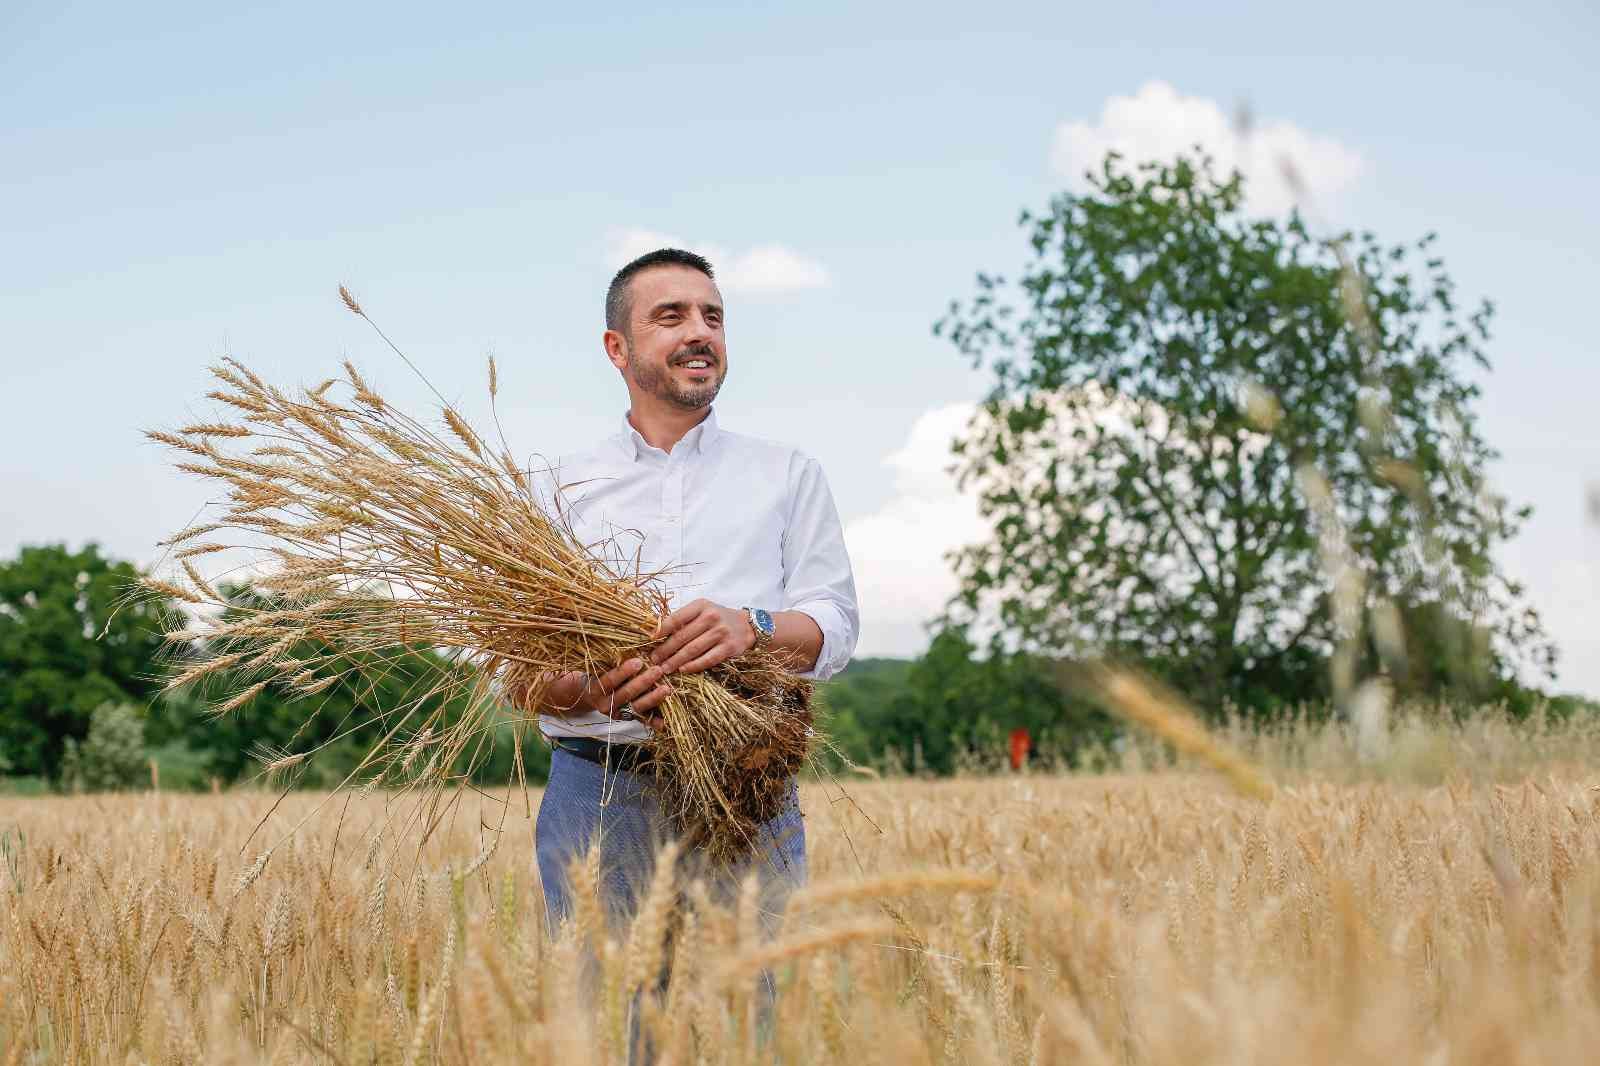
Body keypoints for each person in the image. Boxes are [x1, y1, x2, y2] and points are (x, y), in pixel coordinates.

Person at [523, 247, 860, 1050]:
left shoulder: (787, 475)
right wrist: (590, 689)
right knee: (605, 1033)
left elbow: (836, 625)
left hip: (751, 791)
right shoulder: (554, 487)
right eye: (670, 316)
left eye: (712, 316)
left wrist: (757, 627)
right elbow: (518, 672)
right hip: (598, 793)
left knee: (754, 1026)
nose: (699, 332)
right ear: (617, 348)